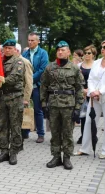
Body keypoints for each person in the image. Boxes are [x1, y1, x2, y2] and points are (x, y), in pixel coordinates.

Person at [75, 39, 105, 159]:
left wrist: (99, 92)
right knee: (89, 122)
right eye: (102, 46)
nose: (102, 49)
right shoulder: (96, 62)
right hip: (94, 98)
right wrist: (92, 92)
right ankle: (85, 148)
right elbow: (90, 79)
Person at [40, 41, 84, 170]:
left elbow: (79, 89)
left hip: (68, 106)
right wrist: (43, 104)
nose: (60, 52)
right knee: (55, 132)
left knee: (68, 133)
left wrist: (77, 108)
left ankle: (67, 158)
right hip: (53, 105)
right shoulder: (49, 67)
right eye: (58, 50)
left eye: (63, 50)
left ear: (68, 52)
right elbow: (44, 86)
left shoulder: (74, 68)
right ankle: (56, 157)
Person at [0, 39, 25, 165]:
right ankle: (4, 151)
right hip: (1, 99)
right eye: (5, 48)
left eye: (10, 48)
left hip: (14, 98)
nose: (7, 50)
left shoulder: (18, 61)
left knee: (15, 126)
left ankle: (14, 152)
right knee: (2, 126)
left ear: (14, 49)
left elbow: (14, 78)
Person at [22, 32, 49, 143]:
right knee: (25, 109)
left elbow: (42, 69)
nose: (30, 42)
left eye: (33, 40)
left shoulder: (43, 53)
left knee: (38, 110)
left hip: (37, 86)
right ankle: (25, 132)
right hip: (27, 88)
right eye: (29, 40)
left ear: (38, 41)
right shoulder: (25, 54)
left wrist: (30, 79)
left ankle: (40, 134)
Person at [76, 45, 96, 144]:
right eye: (85, 53)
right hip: (81, 93)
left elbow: (98, 79)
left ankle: (92, 136)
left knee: (92, 116)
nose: (87, 55)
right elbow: (75, 80)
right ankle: (83, 136)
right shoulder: (79, 65)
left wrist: (90, 90)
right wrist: (82, 90)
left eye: (89, 53)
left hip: (93, 93)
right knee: (83, 116)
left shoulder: (96, 65)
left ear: (93, 55)